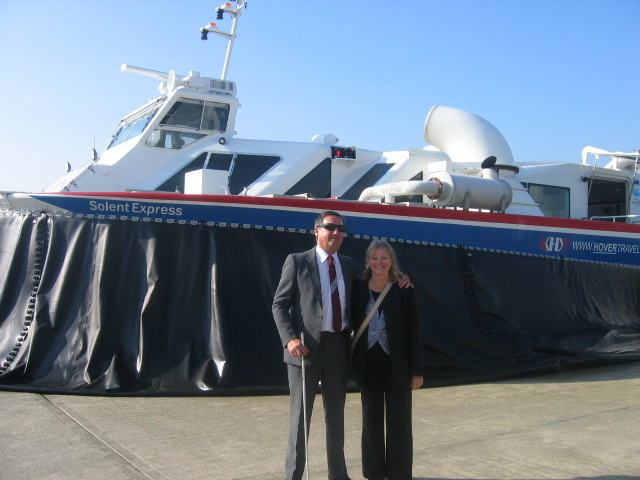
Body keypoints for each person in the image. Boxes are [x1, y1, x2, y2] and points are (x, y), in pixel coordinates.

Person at [272, 211, 411, 480]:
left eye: (340, 229)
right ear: (317, 231)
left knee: (336, 417)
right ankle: (293, 475)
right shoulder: (298, 262)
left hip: (338, 348)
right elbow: (280, 304)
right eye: (329, 227)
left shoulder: (347, 265)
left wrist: (400, 278)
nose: (335, 233)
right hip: (305, 350)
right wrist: (290, 338)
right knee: (300, 419)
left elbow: (376, 280)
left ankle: (338, 475)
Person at [351, 240, 424, 480]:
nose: (379, 263)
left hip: (398, 366)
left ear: (391, 261)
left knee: (399, 421)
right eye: (374, 258)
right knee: (370, 421)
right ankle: (373, 472)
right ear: (368, 262)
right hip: (368, 364)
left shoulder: (403, 288)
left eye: (384, 258)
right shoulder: (359, 288)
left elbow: (414, 330)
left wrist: (417, 371)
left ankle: (399, 473)